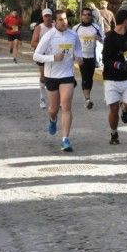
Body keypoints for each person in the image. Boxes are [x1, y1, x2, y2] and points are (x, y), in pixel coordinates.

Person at [33, 10, 83, 152]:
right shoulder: (49, 36)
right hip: (52, 76)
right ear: (55, 22)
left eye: (65, 19)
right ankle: (53, 119)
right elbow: (36, 56)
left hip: (67, 75)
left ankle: (65, 140)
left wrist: (79, 59)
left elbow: (78, 51)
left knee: (66, 106)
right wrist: (52, 58)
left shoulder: (73, 35)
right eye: (60, 19)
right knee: (53, 109)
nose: (64, 22)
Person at [102, 9, 127, 145]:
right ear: (125, 21)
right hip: (111, 79)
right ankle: (114, 133)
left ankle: (125, 108)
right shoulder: (109, 38)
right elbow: (106, 60)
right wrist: (119, 65)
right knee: (113, 108)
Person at [72, 7, 104, 109]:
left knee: (89, 78)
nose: (86, 16)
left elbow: (104, 40)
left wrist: (100, 38)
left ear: (91, 16)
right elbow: (71, 43)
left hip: (92, 56)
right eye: (84, 14)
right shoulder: (76, 28)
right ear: (81, 16)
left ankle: (87, 96)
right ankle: (87, 99)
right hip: (81, 57)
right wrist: (75, 56)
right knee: (85, 77)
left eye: (88, 15)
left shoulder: (96, 27)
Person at [30, 8, 55, 109]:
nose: (48, 18)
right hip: (43, 55)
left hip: (54, 55)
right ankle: (42, 98)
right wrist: (44, 45)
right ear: (43, 17)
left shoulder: (55, 26)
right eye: (46, 16)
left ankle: (56, 99)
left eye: (49, 15)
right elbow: (33, 43)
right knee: (44, 76)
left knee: (55, 77)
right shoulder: (39, 28)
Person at [86, 2, 104, 68]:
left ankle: (97, 63)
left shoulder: (93, 13)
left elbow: (93, 24)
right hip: (100, 32)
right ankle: (100, 61)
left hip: (96, 33)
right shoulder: (97, 11)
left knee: (96, 48)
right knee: (99, 47)